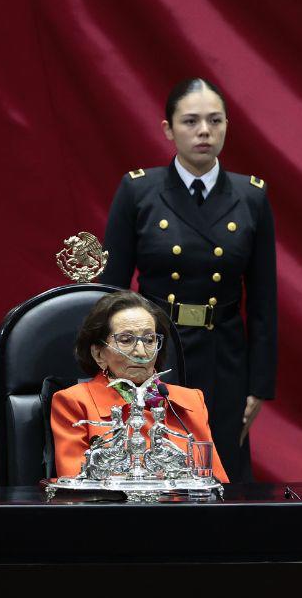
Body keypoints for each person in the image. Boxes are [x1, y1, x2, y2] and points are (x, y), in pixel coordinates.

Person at [102, 79, 276, 482]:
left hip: (225, 355)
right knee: (153, 468)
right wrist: (114, 368)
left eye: (215, 121)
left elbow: (265, 300)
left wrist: (259, 384)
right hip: (152, 354)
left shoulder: (251, 196)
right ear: (168, 129)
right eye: (191, 121)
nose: (204, 131)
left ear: (228, 126)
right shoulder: (139, 191)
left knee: (220, 472)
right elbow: (110, 292)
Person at [50, 290, 228, 483]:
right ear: (99, 354)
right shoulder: (74, 402)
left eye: (149, 340)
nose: (141, 352)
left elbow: (216, 482)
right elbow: (76, 484)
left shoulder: (190, 401)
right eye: (126, 340)